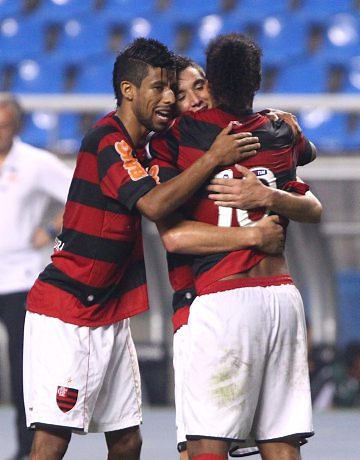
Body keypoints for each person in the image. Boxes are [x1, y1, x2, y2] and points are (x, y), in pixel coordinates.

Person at [23, 37, 262, 460]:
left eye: (173, 87)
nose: (170, 98)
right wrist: (212, 159)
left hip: (110, 312)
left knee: (128, 441)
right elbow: (153, 205)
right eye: (158, 87)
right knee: (51, 443)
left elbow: (196, 125)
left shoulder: (147, 145)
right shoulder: (106, 140)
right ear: (129, 90)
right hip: (67, 310)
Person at [149, 33, 321, 460]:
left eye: (198, 86)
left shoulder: (179, 138)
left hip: (222, 297)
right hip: (283, 297)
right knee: (280, 440)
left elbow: (168, 227)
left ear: (210, 84)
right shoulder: (280, 132)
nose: (192, 98)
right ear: (258, 79)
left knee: (204, 444)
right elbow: (307, 158)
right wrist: (276, 119)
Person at [0, 93, 72, 460]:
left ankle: (28, 450)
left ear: (17, 127)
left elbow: (78, 194)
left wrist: (50, 226)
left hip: (21, 278)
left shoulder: (35, 163)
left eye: (4, 126)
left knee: (22, 369)